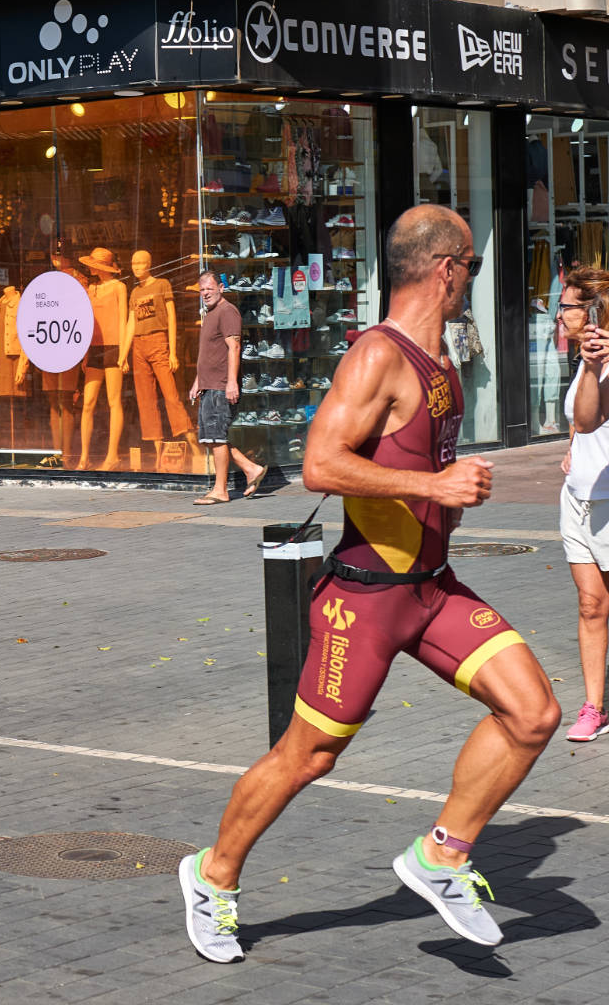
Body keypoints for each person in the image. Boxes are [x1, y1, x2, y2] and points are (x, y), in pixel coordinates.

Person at [179, 205, 560, 963]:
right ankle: (212, 876)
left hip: (433, 589)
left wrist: (443, 489)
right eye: (471, 270)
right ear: (447, 267)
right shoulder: (376, 355)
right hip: (366, 597)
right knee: (308, 755)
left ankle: (442, 857)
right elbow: (321, 464)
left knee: (534, 712)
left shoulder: (439, 356)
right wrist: (438, 486)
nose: (470, 283)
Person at [557, 267, 609, 741]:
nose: (560, 312)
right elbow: (582, 419)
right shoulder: (585, 358)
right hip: (577, 496)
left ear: (593, 309)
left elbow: (596, 417)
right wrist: (571, 445)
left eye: (568, 305)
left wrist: (597, 367)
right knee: (591, 604)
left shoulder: (603, 359)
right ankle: (594, 707)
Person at [188, 272, 267, 504]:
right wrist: (197, 380)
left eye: (210, 288)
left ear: (221, 287)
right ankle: (251, 469)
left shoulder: (227, 311)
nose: (205, 293)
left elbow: (234, 347)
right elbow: (209, 353)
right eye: (202, 290)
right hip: (209, 384)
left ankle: (220, 490)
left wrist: (232, 382)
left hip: (221, 386)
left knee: (217, 437)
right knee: (212, 438)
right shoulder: (210, 314)